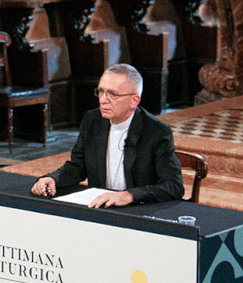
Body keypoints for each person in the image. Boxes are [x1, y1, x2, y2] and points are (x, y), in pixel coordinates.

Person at [31, 64, 182, 208]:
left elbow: (173, 186)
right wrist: (54, 178)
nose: (103, 100)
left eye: (113, 94)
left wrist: (129, 195)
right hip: (100, 208)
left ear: (134, 101)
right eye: (101, 91)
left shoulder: (156, 131)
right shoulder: (92, 120)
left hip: (138, 209)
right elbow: (78, 166)